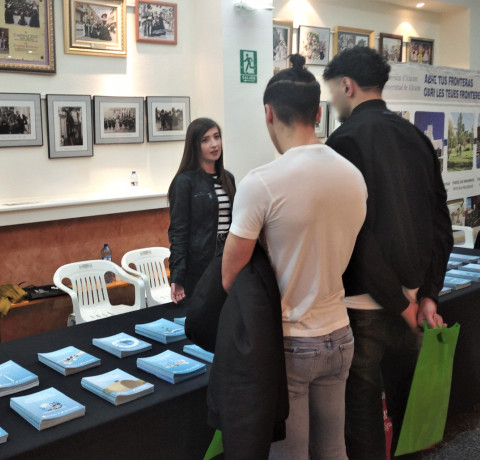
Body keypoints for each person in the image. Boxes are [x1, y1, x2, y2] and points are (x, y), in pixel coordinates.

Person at [222, 54, 368, 460]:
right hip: (340, 333)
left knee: (290, 456)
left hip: (290, 341)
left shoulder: (261, 183)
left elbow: (230, 277)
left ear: (268, 113)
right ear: (318, 113)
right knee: (334, 450)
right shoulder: (353, 176)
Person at [323, 47, 453, 459]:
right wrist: (427, 294)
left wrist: (400, 304)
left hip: (364, 308)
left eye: (333, 91)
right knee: (408, 419)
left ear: (347, 86)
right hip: (414, 304)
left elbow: (354, 239)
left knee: (360, 422)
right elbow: (440, 226)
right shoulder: (416, 137)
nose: (332, 101)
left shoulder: (342, 141)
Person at [168, 118, 236, 303]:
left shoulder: (228, 178)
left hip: (228, 261)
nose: (214, 144)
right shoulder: (184, 181)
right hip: (200, 265)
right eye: (205, 140)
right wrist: (177, 276)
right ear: (195, 146)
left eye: (216, 137)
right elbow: (178, 231)